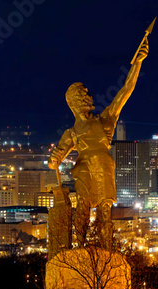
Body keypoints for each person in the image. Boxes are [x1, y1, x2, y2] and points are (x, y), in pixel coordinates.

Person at [48, 42, 149, 249]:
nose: (89, 96)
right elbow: (56, 158)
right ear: (75, 102)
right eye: (83, 94)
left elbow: (125, 91)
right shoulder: (72, 133)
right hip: (85, 170)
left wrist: (137, 63)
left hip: (103, 167)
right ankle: (78, 249)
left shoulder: (104, 121)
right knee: (82, 209)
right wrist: (54, 160)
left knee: (105, 211)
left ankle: (106, 250)